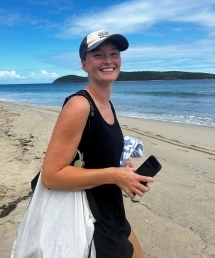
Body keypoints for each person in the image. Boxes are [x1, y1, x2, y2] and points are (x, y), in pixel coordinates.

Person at [41, 29, 154, 258]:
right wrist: (114, 175)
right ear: (84, 64)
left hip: (112, 210)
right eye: (98, 55)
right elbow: (50, 176)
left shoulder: (106, 103)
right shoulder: (79, 105)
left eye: (114, 53)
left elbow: (96, 150)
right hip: (90, 217)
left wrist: (124, 167)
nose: (109, 60)